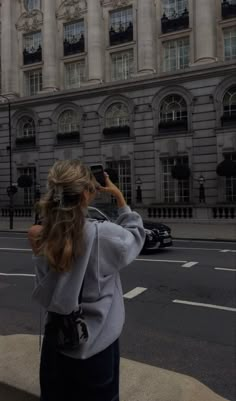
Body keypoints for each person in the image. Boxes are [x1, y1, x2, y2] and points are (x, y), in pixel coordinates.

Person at [28, 160, 145, 401]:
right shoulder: (103, 234)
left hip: (55, 346)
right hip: (97, 350)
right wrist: (120, 199)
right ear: (85, 195)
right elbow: (135, 236)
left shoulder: (40, 235)